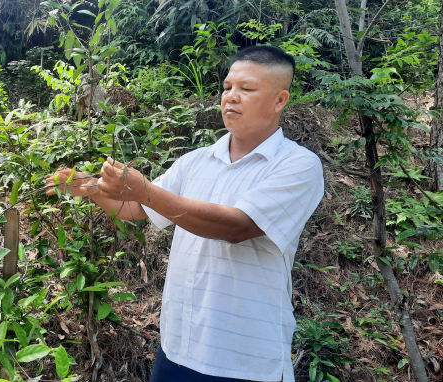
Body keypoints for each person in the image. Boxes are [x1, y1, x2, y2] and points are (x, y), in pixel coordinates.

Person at [46, 45, 324, 382]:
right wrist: (87, 187)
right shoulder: (196, 160)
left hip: (244, 359)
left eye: (246, 89)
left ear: (280, 100)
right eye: (227, 88)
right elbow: (136, 208)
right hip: (178, 349)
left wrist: (146, 190)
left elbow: (237, 226)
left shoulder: (298, 165)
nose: (231, 97)